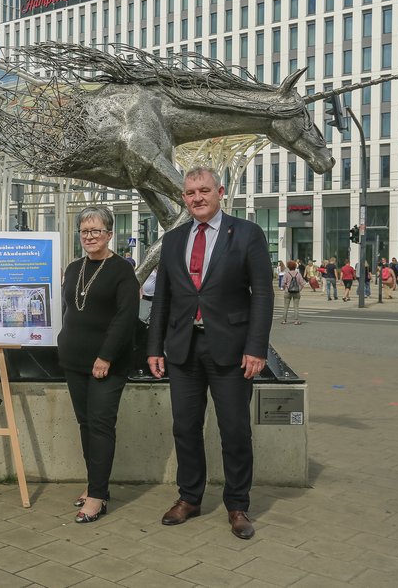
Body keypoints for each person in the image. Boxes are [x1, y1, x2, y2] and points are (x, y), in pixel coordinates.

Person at [146, 167, 273, 541]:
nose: (197, 198)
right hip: (184, 348)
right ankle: (189, 498)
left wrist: (256, 347)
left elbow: (263, 294)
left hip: (231, 350)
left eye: (204, 190)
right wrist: (154, 347)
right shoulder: (173, 240)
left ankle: (237, 505)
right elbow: (162, 298)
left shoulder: (247, 233)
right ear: (183, 198)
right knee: (185, 427)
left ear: (220, 191)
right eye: (190, 193)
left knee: (234, 430)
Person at [58, 206, 139, 524]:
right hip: (74, 360)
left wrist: (105, 356)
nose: (89, 237)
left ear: (109, 234)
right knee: (86, 424)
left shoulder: (122, 271)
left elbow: (125, 319)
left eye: (96, 231)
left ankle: (97, 496)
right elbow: (69, 309)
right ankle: (95, 484)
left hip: (107, 363)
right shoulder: (73, 268)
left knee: (101, 425)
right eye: (84, 231)